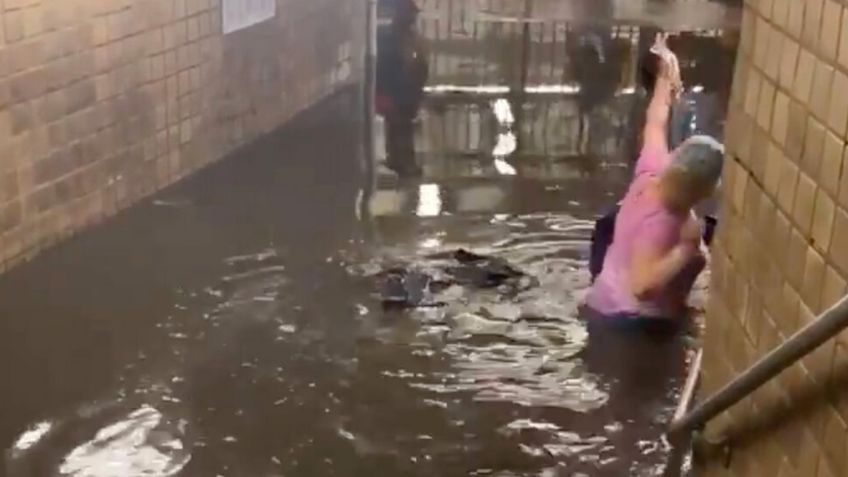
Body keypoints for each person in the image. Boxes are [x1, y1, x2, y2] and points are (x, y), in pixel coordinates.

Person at [585, 34, 724, 326]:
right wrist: (684, 254)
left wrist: (666, 74)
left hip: (601, 298)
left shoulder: (651, 170)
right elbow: (642, 287)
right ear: (706, 190)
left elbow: (656, 120)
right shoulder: (665, 224)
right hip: (630, 321)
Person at [376, 0, 429, 177]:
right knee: (398, 128)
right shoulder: (389, 38)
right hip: (397, 93)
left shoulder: (410, 38)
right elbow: (383, 70)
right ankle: (401, 163)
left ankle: (402, 162)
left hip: (406, 93)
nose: (413, 20)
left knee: (402, 128)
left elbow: (421, 67)